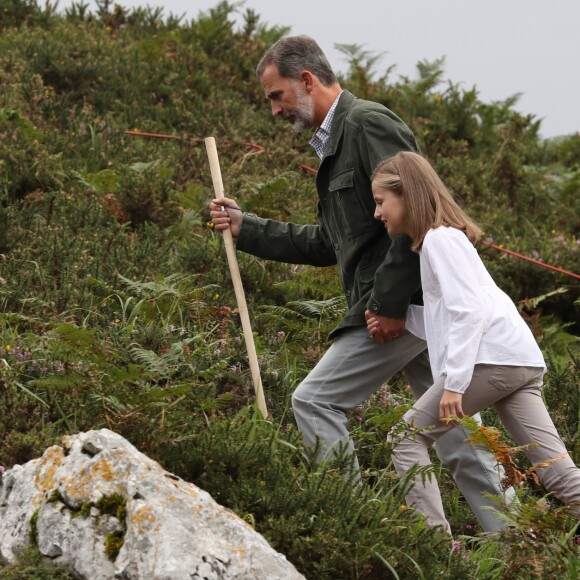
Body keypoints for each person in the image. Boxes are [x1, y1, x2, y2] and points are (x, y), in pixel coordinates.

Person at [209, 35, 514, 532]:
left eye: (276, 95)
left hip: (398, 307)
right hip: (411, 311)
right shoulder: (336, 143)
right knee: (455, 433)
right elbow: (334, 242)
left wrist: (390, 304)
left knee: (314, 400)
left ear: (306, 80)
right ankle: (516, 543)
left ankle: (357, 528)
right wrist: (251, 228)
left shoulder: (367, 123)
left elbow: (416, 211)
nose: (274, 110)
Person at [366, 151, 580, 534]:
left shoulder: (438, 240)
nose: (377, 213)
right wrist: (400, 320)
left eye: (381, 202)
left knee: (404, 438)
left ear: (407, 195)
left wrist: (454, 384)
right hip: (516, 360)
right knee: (561, 476)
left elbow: (469, 312)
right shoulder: (445, 239)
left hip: (492, 362)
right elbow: (452, 314)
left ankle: (432, 547)